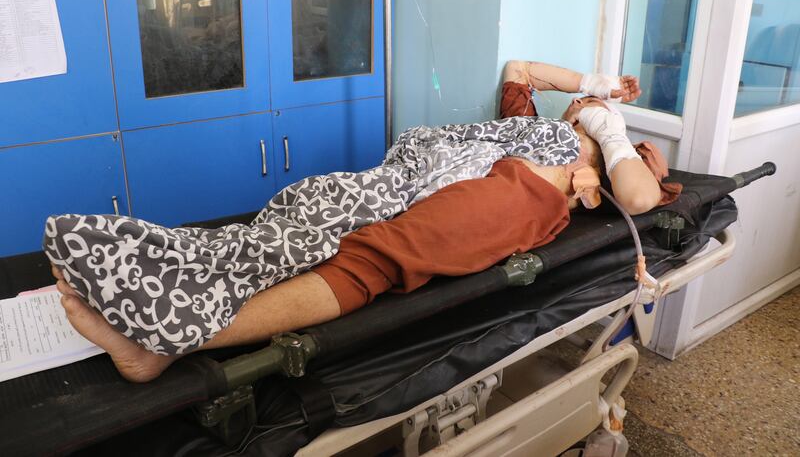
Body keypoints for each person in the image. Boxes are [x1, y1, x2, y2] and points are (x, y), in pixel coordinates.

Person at [51, 61, 662, 383]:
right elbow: (522, 65)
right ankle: (177, 270)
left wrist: (609, 130)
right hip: (414, 175)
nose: (582, 104)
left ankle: (171, 340)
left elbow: (636, 198)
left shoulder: (608, 159)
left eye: (591, 107)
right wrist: (595, 84)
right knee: (309, 204)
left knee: (377, 255)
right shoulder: (532, 116)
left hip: (519, 193)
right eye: (582, 103)